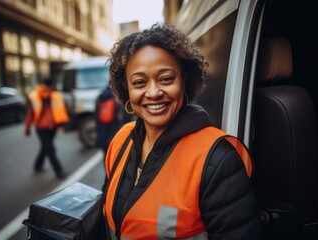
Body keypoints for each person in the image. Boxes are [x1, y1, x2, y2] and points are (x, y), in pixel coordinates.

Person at [100, 24, 264, 239]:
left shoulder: (217, 158)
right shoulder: (121, 139)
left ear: (184, 83)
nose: (153, 92)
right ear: (127, 92)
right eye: (139, 82)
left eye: (166, 78)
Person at [24, 77, 69, 179]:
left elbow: (59, 111)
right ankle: (59, 171)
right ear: (51, 85)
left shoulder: (54, 95)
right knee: (50, 149)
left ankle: (37, 165)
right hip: (42, 128)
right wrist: (27, 128)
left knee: (45, 147)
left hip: (51, 127)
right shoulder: (36, 96)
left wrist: (27, 129)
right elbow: (30, 114)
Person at [95, 85, 132, 154]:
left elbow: (96, 116)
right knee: (118, 155)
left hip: (103, 132)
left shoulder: (100, 97)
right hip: (115, 131)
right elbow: (126, 117)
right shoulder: (117, 97)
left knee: (107, 155)